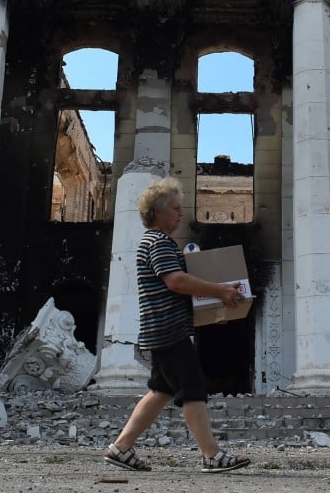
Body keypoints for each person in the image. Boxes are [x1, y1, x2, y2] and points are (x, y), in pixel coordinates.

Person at [104, 177, 251, 474]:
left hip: (161, 329)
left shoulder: (158, 243)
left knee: (161, 390)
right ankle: (212, 455)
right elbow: (176, 281)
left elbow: (180, 281)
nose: (180, 214)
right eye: (175, 208)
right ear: (157, 212)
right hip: (168, 331)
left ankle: (120, 448)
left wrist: (215, 297)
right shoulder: (157, 242)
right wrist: (220, 291)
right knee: (193, 388)